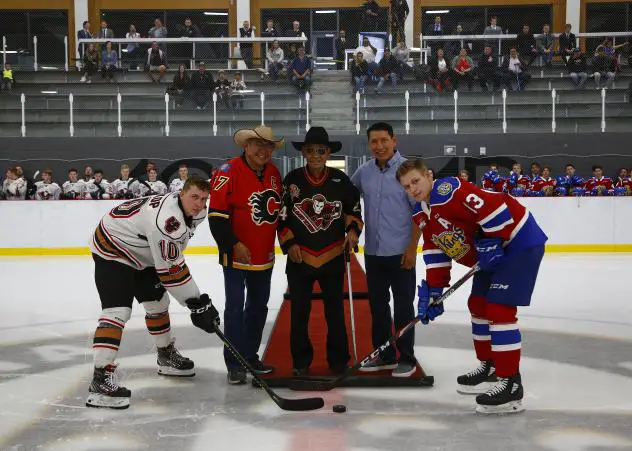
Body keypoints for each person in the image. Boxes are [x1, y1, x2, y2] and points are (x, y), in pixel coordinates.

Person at [396, 159, 547, 414]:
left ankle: (510, 382)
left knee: (499, 309)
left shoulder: (449, 190)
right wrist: (435, 292)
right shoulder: (421, 212)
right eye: (406, 186)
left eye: (415, 181)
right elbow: (436, 250)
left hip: (518, 243)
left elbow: (495, 206)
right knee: (477, 305)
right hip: (490, 254)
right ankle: (490, 365)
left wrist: (494, 240)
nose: (412, 189)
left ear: (428, 175)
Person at [87, 176, 220, 409]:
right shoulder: (167, 221)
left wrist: (197, 302)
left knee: (158, 303)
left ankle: (165, 355)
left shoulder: (196, 213)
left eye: (204, 199)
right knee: (117, 311)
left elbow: (170, 257)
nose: (199, 204)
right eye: (194, 197)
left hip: (142, 252)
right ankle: (100, 379)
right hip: (113, 248)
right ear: (181, 194)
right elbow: (170, 271)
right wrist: (197, 303)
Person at [278, 127, 363, 376]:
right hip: (299, 258)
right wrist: (290, 244)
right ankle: (300, 363)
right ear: (303, 152)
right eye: (311, 150)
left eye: (321, 151)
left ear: (328, 153)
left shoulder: (341, 181)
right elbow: (281, 218)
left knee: (335, 313)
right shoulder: (292, 180)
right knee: (299, 314)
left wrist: (353, 231)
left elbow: (353, 211)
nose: (316, 155)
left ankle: (338, 361)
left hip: (333, 256)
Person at [208, 126, 284, 385]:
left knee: (258, 307)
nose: (263, 151)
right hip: (236, 256)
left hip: (265, 255)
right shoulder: (227, 172)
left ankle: (250, 356)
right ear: (245, 146)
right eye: (257, 145)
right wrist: (233, 244)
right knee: (235, 309)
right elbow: (216, 217)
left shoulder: (274, 173)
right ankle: (234, 363)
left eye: (268, 146)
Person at [351, 122, 421, 378]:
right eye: (374, 142)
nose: (379, 146)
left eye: (383, 140)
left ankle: (407, 357)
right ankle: (385, 354)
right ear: (369, 144)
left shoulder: (408, 172)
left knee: (403, 307)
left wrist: (413, 248)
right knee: (378, 307)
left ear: (394, 141)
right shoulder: (364, 172)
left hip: (402, 253)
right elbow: (349, 198)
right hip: (374, 253)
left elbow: (419, 213)